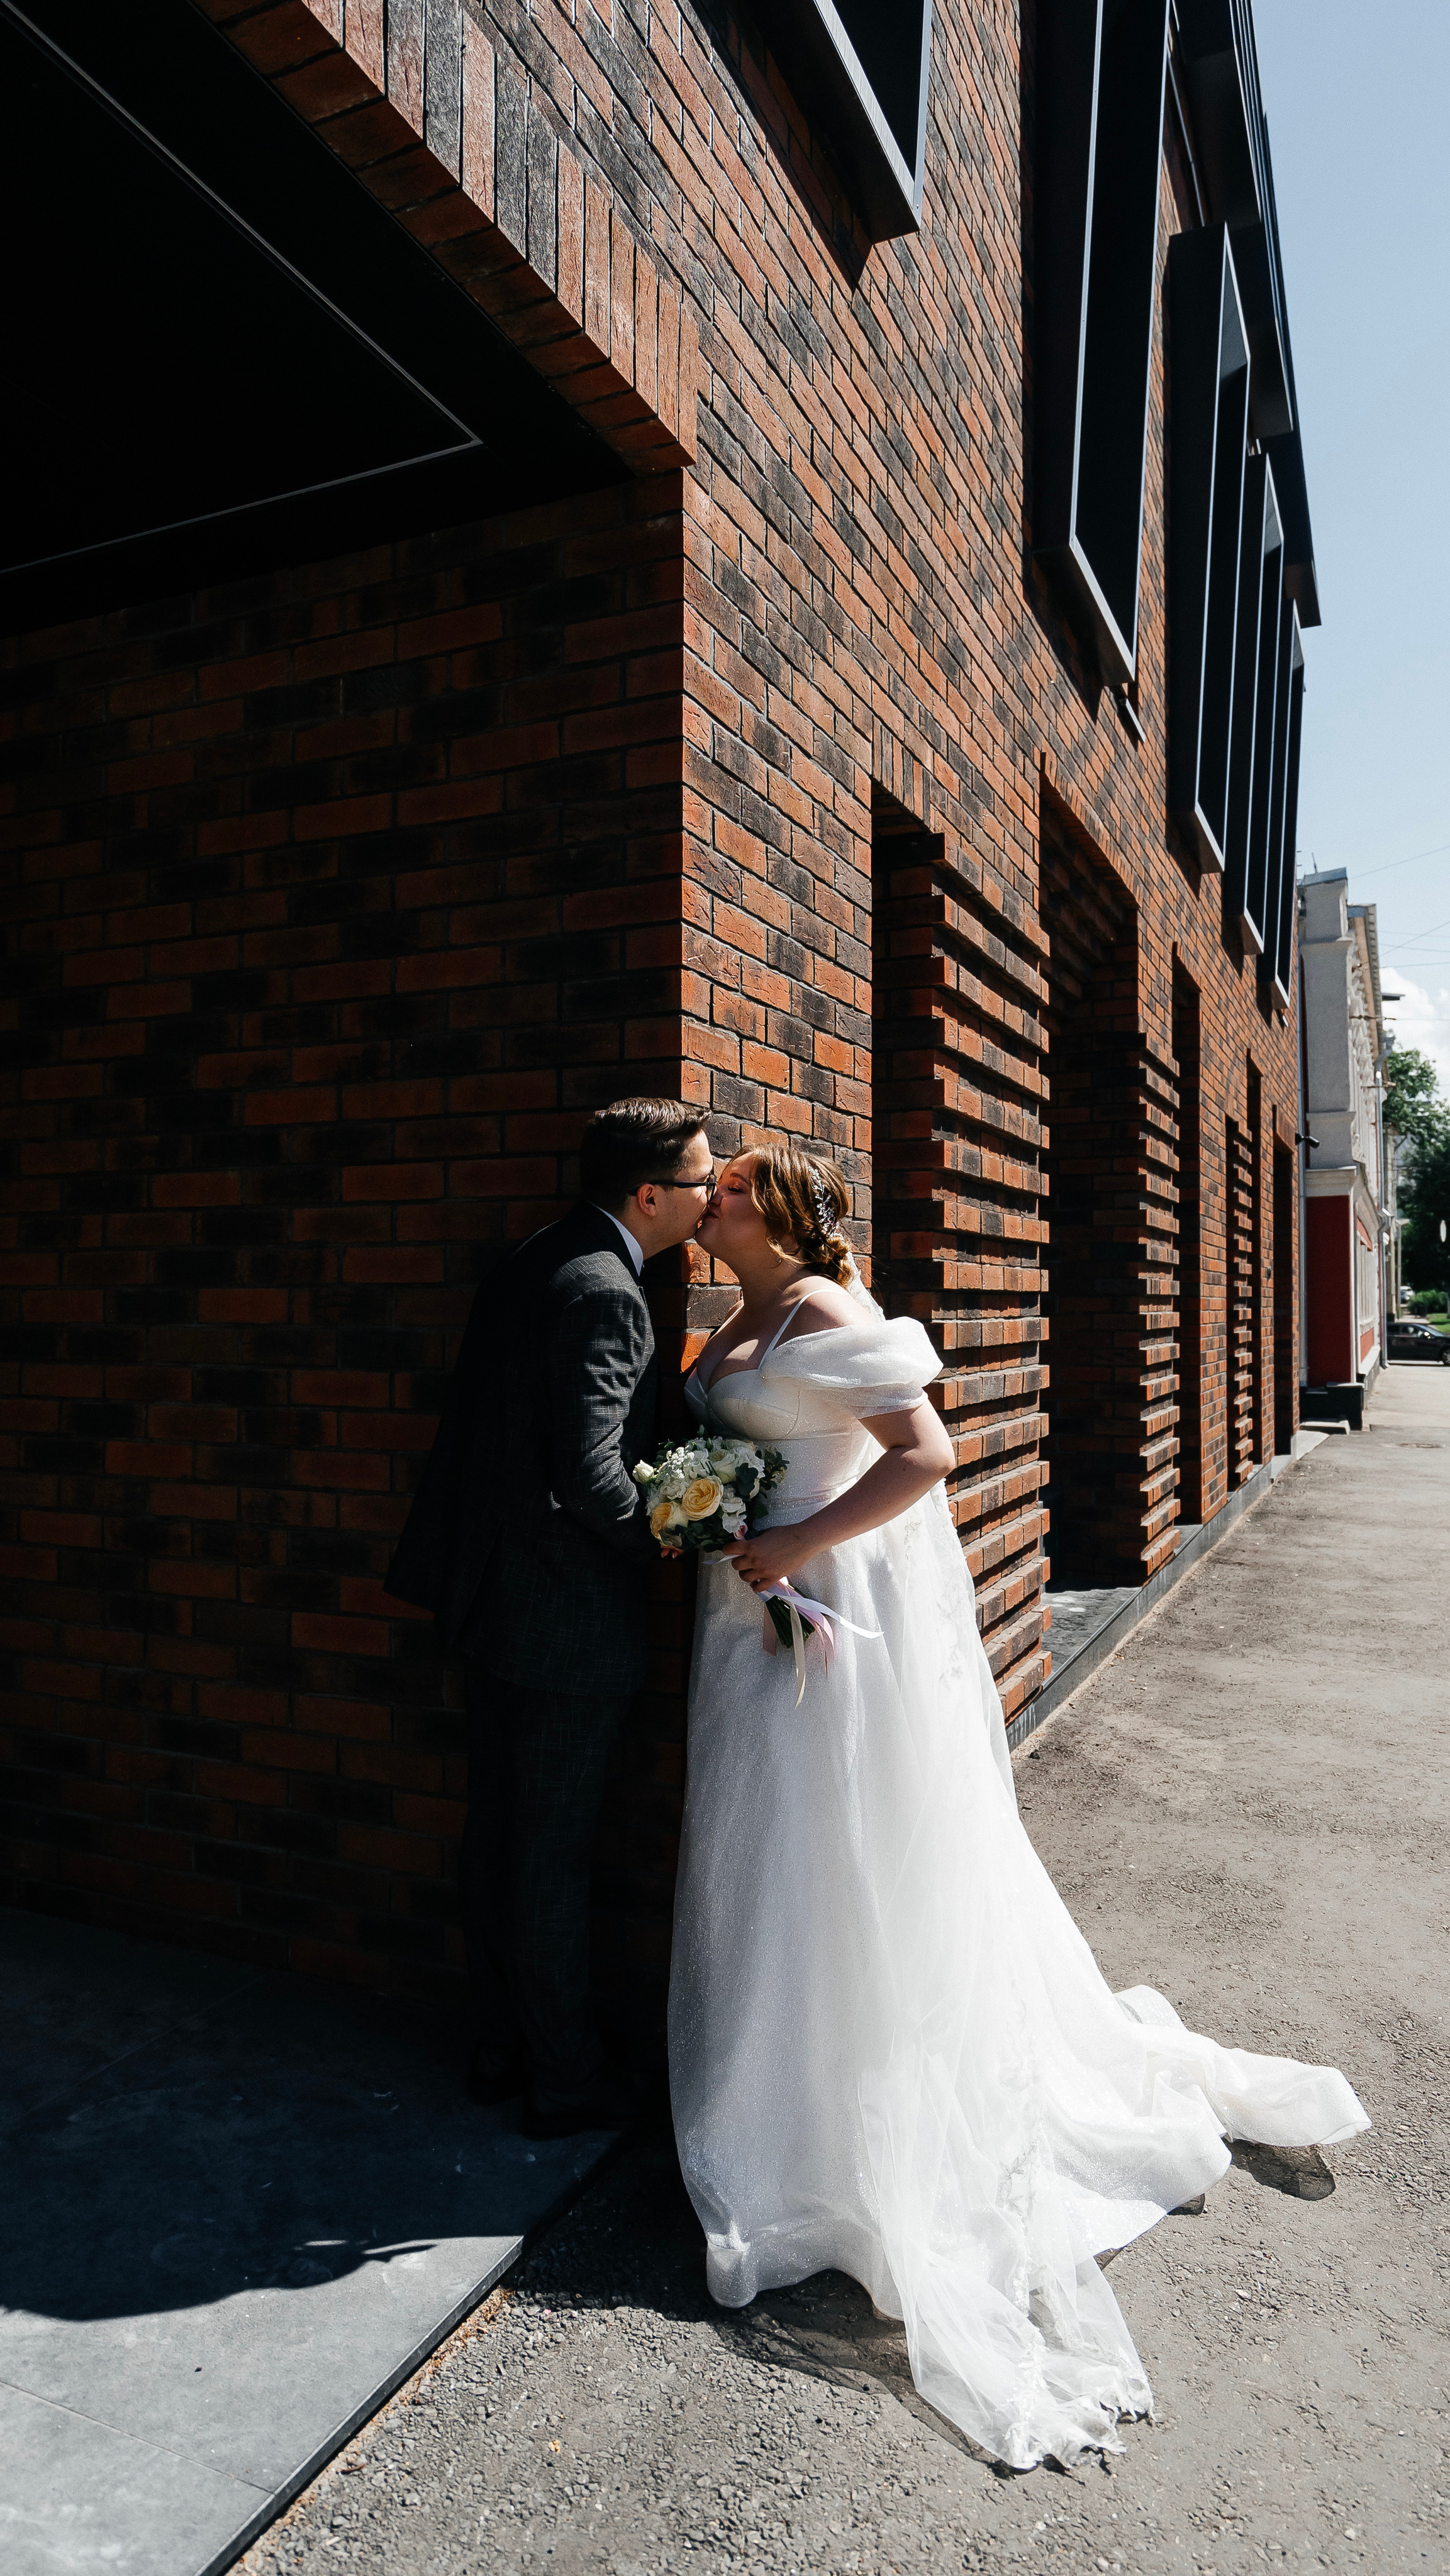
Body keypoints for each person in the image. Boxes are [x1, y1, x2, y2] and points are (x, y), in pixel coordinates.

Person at [669, 1138, 1369, 2470]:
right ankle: (782, 2093)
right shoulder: (735, 1314)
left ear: (784, 1211)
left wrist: (799, 1543)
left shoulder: (823, 1307)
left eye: (733, 1180)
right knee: (769, 1858)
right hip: (749, 1604)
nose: (710, 1192)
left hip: (828, 1599)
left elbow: (924, 1452)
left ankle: (853, 2119)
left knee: (839, 1848)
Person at [386, 1097, 714, 2138]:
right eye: (700, 1184)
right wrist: (664, 1537)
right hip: (563, 1622)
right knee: (551, 1856)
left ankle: (497, 2044)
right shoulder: (610, 1293)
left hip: (489, 1600)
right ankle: (563, 2079)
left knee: (498, 1835)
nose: (709, 1201)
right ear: (649, 1192)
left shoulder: (540, 1256)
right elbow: (589, 1474)